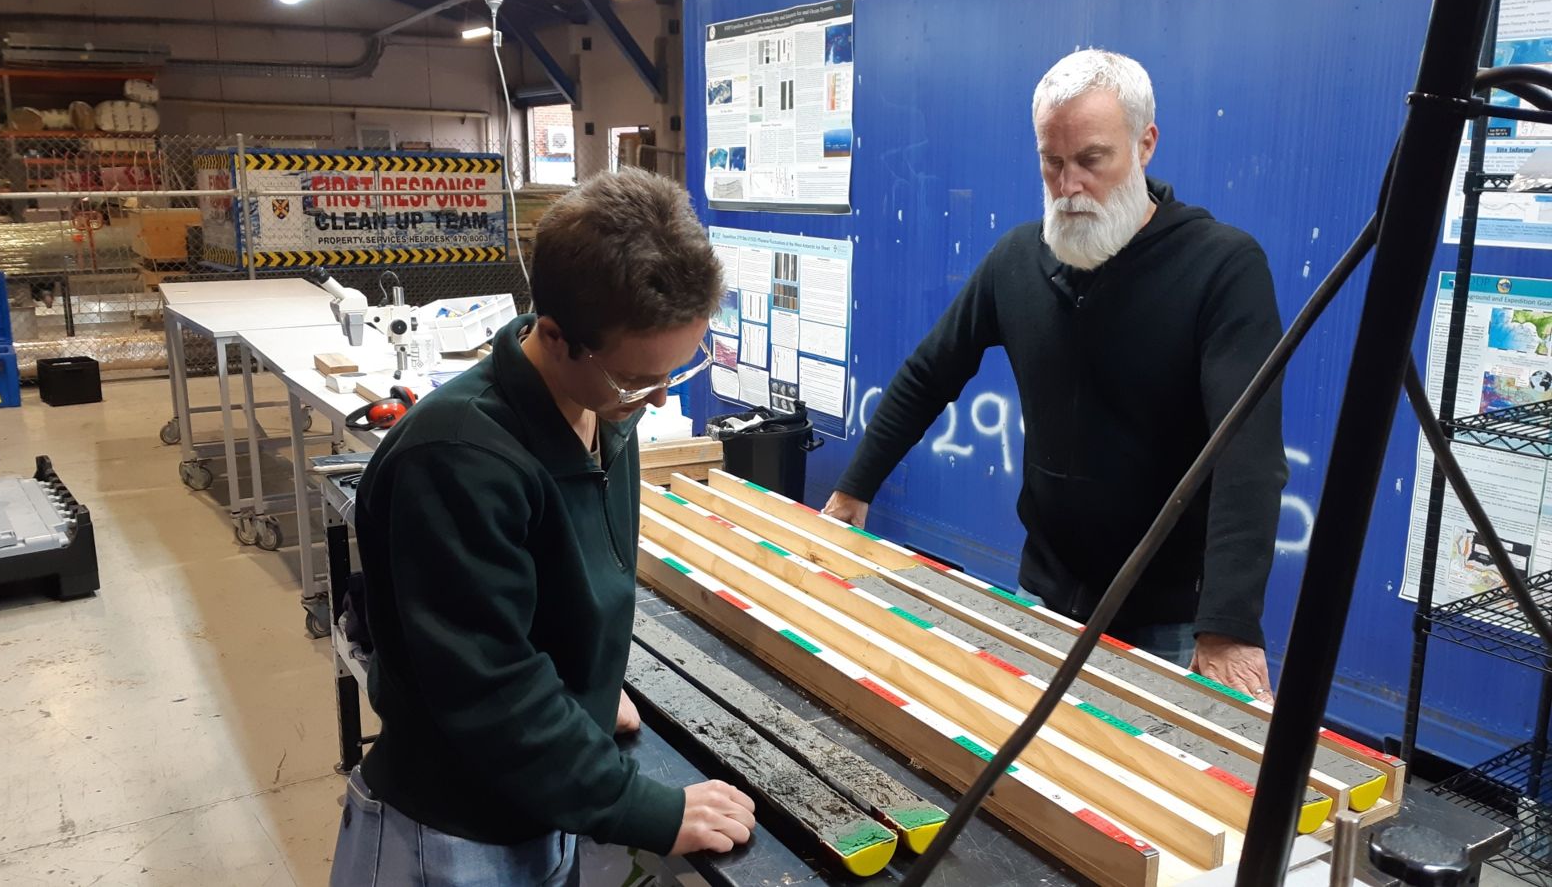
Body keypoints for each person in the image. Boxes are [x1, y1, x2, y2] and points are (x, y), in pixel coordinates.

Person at [331, 169, 756, 886]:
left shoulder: (601, 410)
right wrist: (647, 809)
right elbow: (493, 692)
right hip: (451, 837)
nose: (652, 400)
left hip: (539, 809)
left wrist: (587, 688)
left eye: (675, 374)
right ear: (555, 336)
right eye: (635, 380)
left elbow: (555, 599)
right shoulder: (459, 459)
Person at [823, 49, 1287, 702]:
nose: (1068, 186)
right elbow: (931, 373)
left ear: (1144, 144)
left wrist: (1231, 627)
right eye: (1052, 161)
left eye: (1092, 160)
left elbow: (1249, 453)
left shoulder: (1220, 269)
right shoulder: (1018, 259)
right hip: (1044, 592)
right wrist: (852, 492)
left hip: (1171, 623)